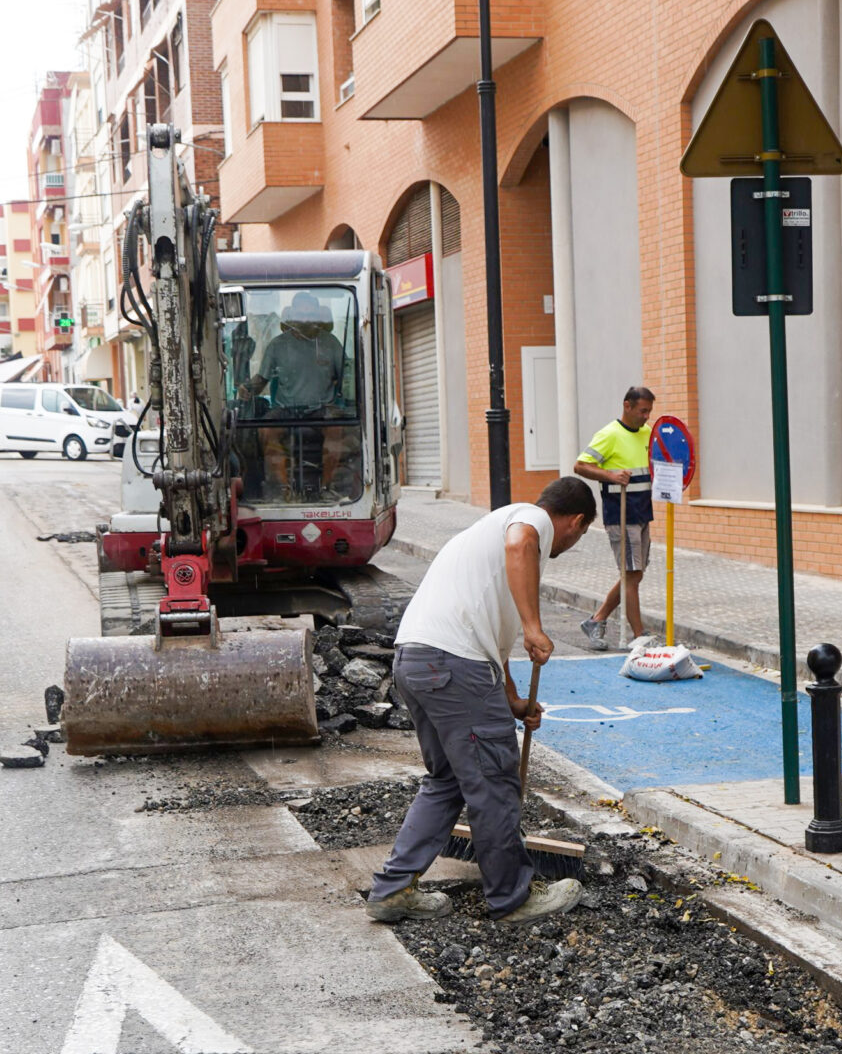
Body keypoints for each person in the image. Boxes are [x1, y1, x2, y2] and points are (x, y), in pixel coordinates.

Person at [367, 478, 599, 925]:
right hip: (455, 667)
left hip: (417, 660)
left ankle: (392, 891)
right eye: (581, 534)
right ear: (575, 521)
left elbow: (491, 641)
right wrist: (534, 626)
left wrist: (512, 700)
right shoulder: (528, 522)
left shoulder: (485, 539)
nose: (573, 541)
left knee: (448, 780)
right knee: (493, 782)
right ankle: (512, 898)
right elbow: (523, 543)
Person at [241, 292, 360, 502]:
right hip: (286, 409)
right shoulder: (278, 345)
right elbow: (261, 379)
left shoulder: (330, 343)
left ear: (317, 315)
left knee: (338, 429)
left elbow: (347, 378)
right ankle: (284, 489)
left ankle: (327, 489)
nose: (305, 316)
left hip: (322, 409)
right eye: (301, 311)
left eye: (310, 311)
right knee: (265, 431)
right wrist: (247, 390)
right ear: (292, 315)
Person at [570, 386, 657, 649]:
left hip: (643, 512)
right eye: (643, 411)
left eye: (649, 412)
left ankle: (597, 620)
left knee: (635, 574)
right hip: (621, 514)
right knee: (631, 573)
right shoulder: (609, 435)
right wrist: (611, 475)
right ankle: (638, 635)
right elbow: (580, 465)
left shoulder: (647, 433)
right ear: (627, 406)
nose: (646, 417)